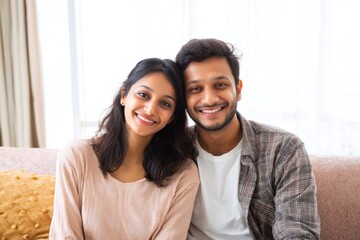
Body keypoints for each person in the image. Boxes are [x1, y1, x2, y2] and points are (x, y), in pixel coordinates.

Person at [175, 38, 320, 240]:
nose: (209, 99)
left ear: (238, 89)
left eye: (220, 84)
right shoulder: (173, 149)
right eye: (195, 89)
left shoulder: (284, 149)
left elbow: (297, 231)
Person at [49, 58, 200, 239]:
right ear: (123, 95)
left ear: (172, 117)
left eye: (165, 104)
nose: (151, 109)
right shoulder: (76, 157)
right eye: (143, 95)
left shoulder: (184, 175)